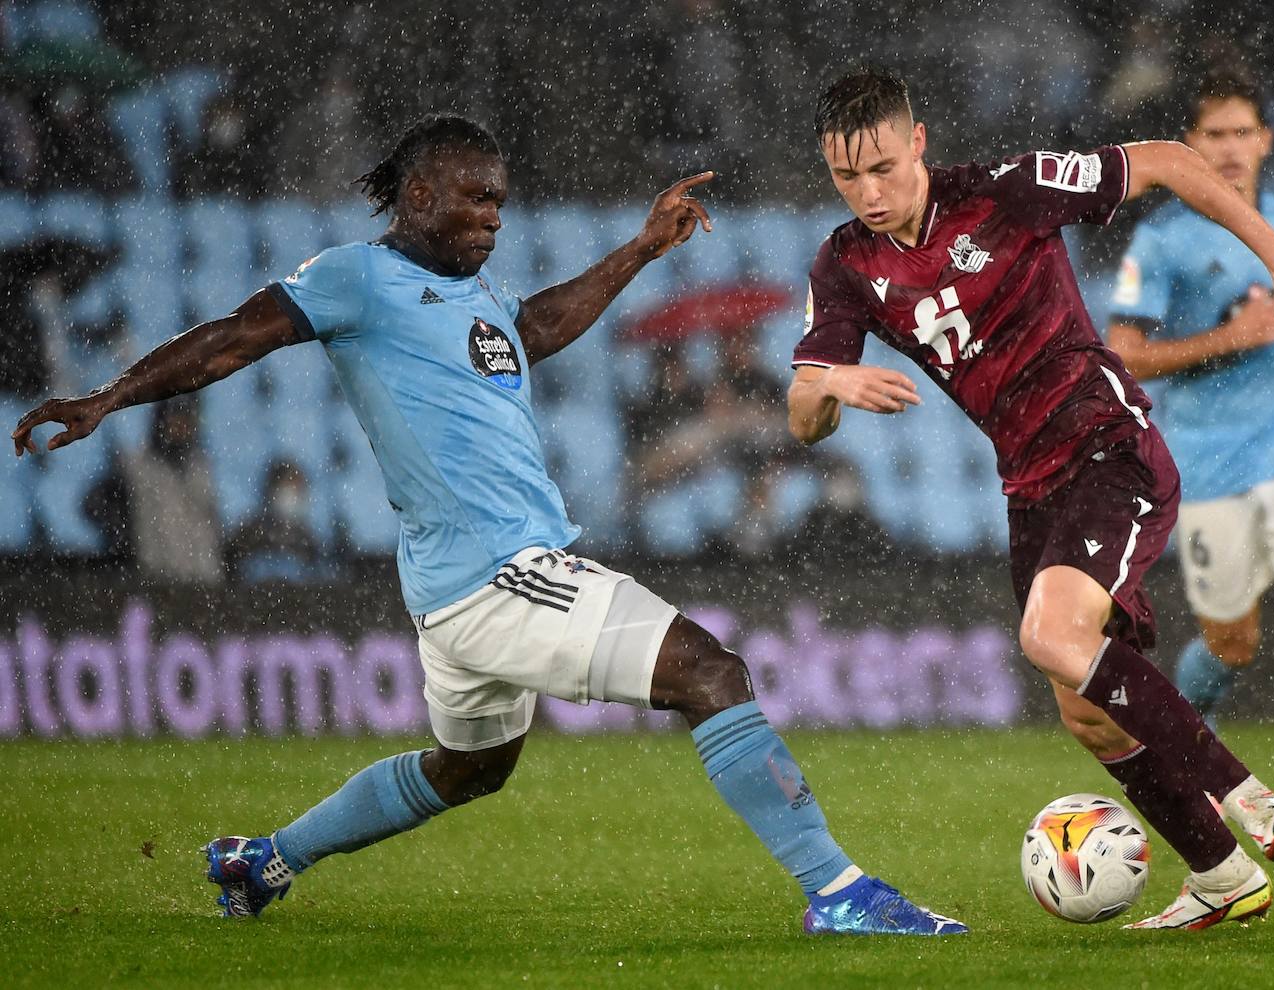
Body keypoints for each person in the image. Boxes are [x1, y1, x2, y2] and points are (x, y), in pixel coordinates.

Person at [12, 114, 966, 937]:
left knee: (469, 769)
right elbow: (229, 340)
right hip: (497, 572)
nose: (494, 218)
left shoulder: (476, 301)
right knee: (709, 672)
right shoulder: (356, 279)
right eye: (475, 199)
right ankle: (835, 890)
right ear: (418, 192)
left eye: (503, 203)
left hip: (451, 588)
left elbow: (538, 329)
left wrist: (640, 249)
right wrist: (108, 398)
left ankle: (264, 859)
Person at [787, 66, 1274, 930]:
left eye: (883, 166)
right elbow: (802, 413)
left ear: (918, 140)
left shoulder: (1008, 192)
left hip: (1111, 451)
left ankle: (1244, 794)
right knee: (1086, 712)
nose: (869, 191)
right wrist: (834, 383)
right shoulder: (846, 263)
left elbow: (1163, 160)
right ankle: (1225, 878)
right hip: (1031, 489)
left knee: (1049, 634)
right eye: (847, 176)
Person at [1107, 69, 1274, 854]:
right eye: (1212, 135)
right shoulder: (1160, 241)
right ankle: (1187, 760)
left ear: (1266, 140)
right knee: (1233, 643)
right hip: (1209, 464)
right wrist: (1231, 337)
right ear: (1189, 146)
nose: (1228, 149)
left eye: (1240, 133)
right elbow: (1124, 358)